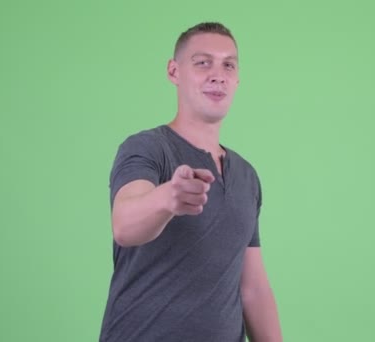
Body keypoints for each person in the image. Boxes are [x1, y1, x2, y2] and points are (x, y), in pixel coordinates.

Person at [99, 22, 282, 342]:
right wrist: (168, 197)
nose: (217, 74)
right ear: (174, 71)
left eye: (228, 64)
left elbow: (252, 288)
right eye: (202, 63)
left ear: (237, 79)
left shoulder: (247, 176)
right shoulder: (147, 148)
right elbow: (124, 225)